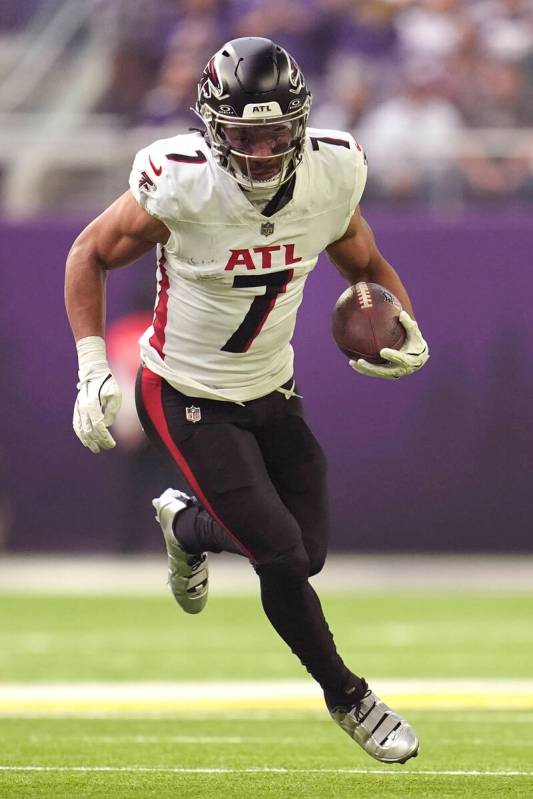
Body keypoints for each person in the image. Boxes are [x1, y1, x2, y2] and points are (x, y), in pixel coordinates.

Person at [65, 37, 429, 764]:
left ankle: (189, 528)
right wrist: (90, 366)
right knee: (281, 556)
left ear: (298, 124)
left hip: (272, 387)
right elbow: (90, 252)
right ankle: (349, 696)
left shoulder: (333, 171)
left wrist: (403, 321)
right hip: (185, 391)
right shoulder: (180, 182)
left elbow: (362, 259)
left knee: (308, 549)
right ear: (211, 131)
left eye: (273, 133)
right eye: (243, 135)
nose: (261, 152)